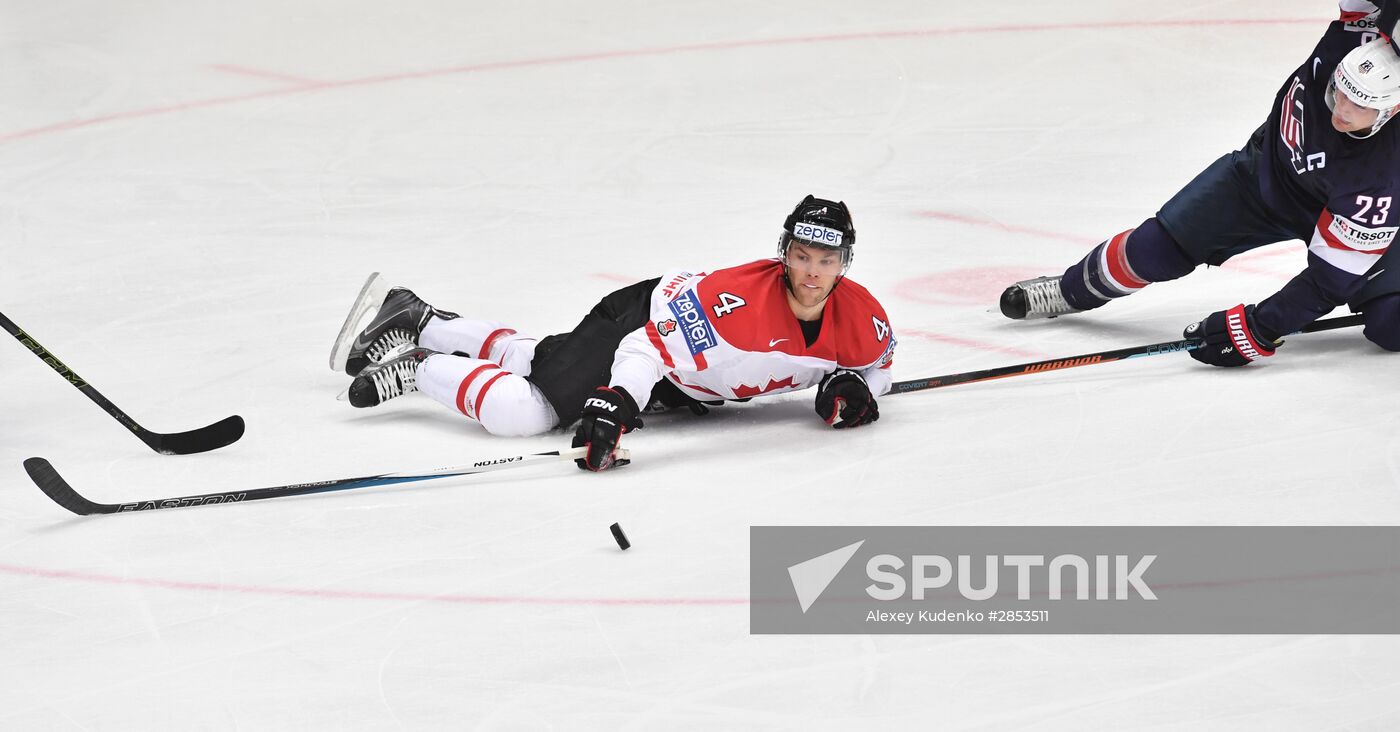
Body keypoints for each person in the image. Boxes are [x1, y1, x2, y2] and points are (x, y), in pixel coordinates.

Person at [329, 195, 897, 471]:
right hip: (640, 322)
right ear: (784, 254)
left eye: (827, 259)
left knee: (543, 363)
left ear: (845, 262)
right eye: (802, 256)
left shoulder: (863, 318)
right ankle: (418, 364)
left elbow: (880, 366)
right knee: (525, 413)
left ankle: (421, 318)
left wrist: (860, 389)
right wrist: (619, 400)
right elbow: (645, 348)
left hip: (692, 379)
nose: (813, 272)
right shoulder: (737, 302)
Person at [1000, 0, 1400, 367]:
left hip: (1350, 216)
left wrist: (1259, 328)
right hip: (1263, 177)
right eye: (1338, 92)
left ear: (1390, 110)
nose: (1341, 109)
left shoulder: (1381, 179)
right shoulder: (1353, 35)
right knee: (1154, 248)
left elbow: (1328, 282)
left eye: (1361, 104)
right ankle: (1069, 291)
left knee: (1391, 323)